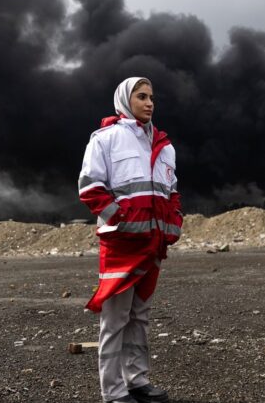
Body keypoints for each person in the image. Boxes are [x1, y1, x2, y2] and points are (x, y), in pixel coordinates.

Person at [78, 77, 183, 403]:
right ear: (125, 100)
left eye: (152, 97)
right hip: (121, 246)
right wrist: (118, 218)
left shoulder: (165, 147)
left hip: (153, 245)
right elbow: (89, 186)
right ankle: (113, 391)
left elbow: (172, 192)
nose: (149, 102)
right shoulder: (106, 139)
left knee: (140, 317)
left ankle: (137, 380)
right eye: (141, 96)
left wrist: (174, 224)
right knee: (115, 321)